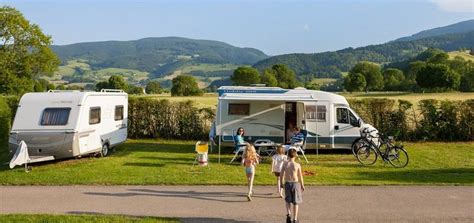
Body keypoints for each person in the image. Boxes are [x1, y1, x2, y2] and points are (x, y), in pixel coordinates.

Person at [280, 148, 305, 223]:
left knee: (287, 200)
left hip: (287, 183)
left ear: (288, 155)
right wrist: (302, 185)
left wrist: (281, 183)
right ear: (295, 155)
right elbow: (300, 176)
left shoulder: (285, 164)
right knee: (295, 202)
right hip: (295, 183)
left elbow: (281, 175)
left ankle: (288, 214)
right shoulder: (297, 165)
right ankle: (295, 219)